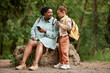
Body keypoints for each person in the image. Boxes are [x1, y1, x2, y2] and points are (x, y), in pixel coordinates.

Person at [15, 6, 59, 71]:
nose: (51, 14)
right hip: (38, 38)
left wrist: (45, 31)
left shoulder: (55, 21)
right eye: (49, 12)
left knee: (40, 42)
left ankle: (35, 64)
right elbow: (33, 28)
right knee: (30, 42)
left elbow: (55, 34)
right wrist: (33, 36)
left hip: (49, 39)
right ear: (44, 13)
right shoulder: (39, 19)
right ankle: (23, 63)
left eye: (52, 12)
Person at [54, 5, 71, 70]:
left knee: (64, 50)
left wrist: (60, 25)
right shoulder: (62, 19)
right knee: (60, 50)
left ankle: (66, 64)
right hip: (61, 37)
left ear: (63, 12)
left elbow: (69, 27)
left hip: (65, 37)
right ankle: (61, 62)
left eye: (59, 13)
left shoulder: (67, 19)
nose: (58, 15)